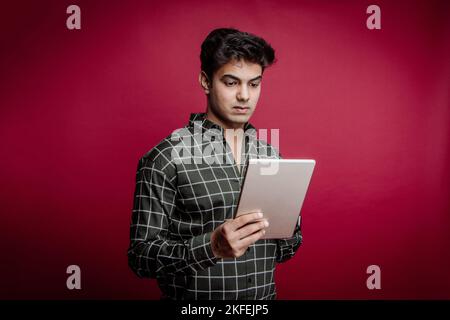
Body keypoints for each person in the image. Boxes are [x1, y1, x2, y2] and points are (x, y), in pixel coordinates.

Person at [127, 27, 302, 300]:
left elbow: (287, 250)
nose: (245, 96)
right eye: (231, 83)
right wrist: (211, 247)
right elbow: (140, 258)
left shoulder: (271, 158)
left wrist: (289, 223)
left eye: (254, 84)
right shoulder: (164, 159)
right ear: (206, 81)